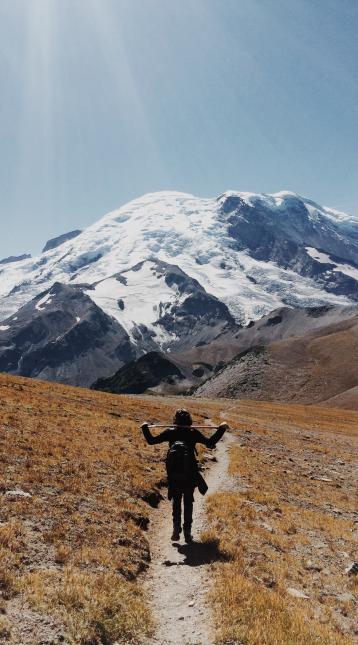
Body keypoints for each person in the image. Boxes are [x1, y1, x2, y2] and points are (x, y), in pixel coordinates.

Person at [141, 408, 229, 543]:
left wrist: (145, 428)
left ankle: (176, 527)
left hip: (173, 472)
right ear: (189, 420)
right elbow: (210, 444)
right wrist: (221, 429)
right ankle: (187, 532)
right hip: (190, 472)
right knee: (188, 501)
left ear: (175, 420)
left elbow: (151, 441)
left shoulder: (170, 431)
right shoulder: (192, 432)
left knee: (176, 500)